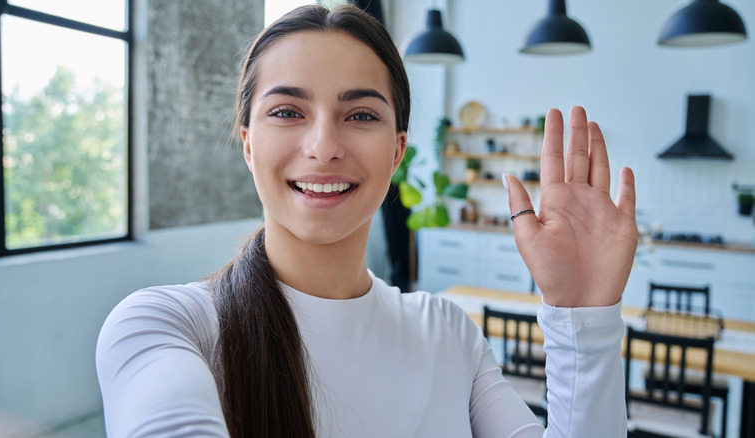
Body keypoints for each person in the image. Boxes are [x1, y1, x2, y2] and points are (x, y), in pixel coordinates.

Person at [96, 4, 637, 437]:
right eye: (287, 112)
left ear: (397, 152)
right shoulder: (166, 326)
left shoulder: (448, 334)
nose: (323, 146)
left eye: (360, 115)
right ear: (248, 145)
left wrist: (582, 315)